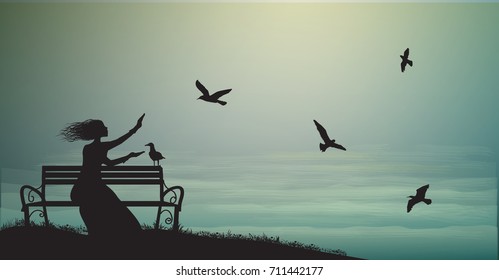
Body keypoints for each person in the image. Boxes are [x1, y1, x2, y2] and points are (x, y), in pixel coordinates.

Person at [59, 114, 146, 237]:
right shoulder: (102, 147)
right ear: (98, 131)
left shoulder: (88, 148)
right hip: (92, 189)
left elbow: (109, 163)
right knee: (118, 210)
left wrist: (129, 156)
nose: (107, 128)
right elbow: (120, 141)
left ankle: (99, 232)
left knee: (109, 207)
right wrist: (136, 128)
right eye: (104, 126)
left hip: (80, 189)